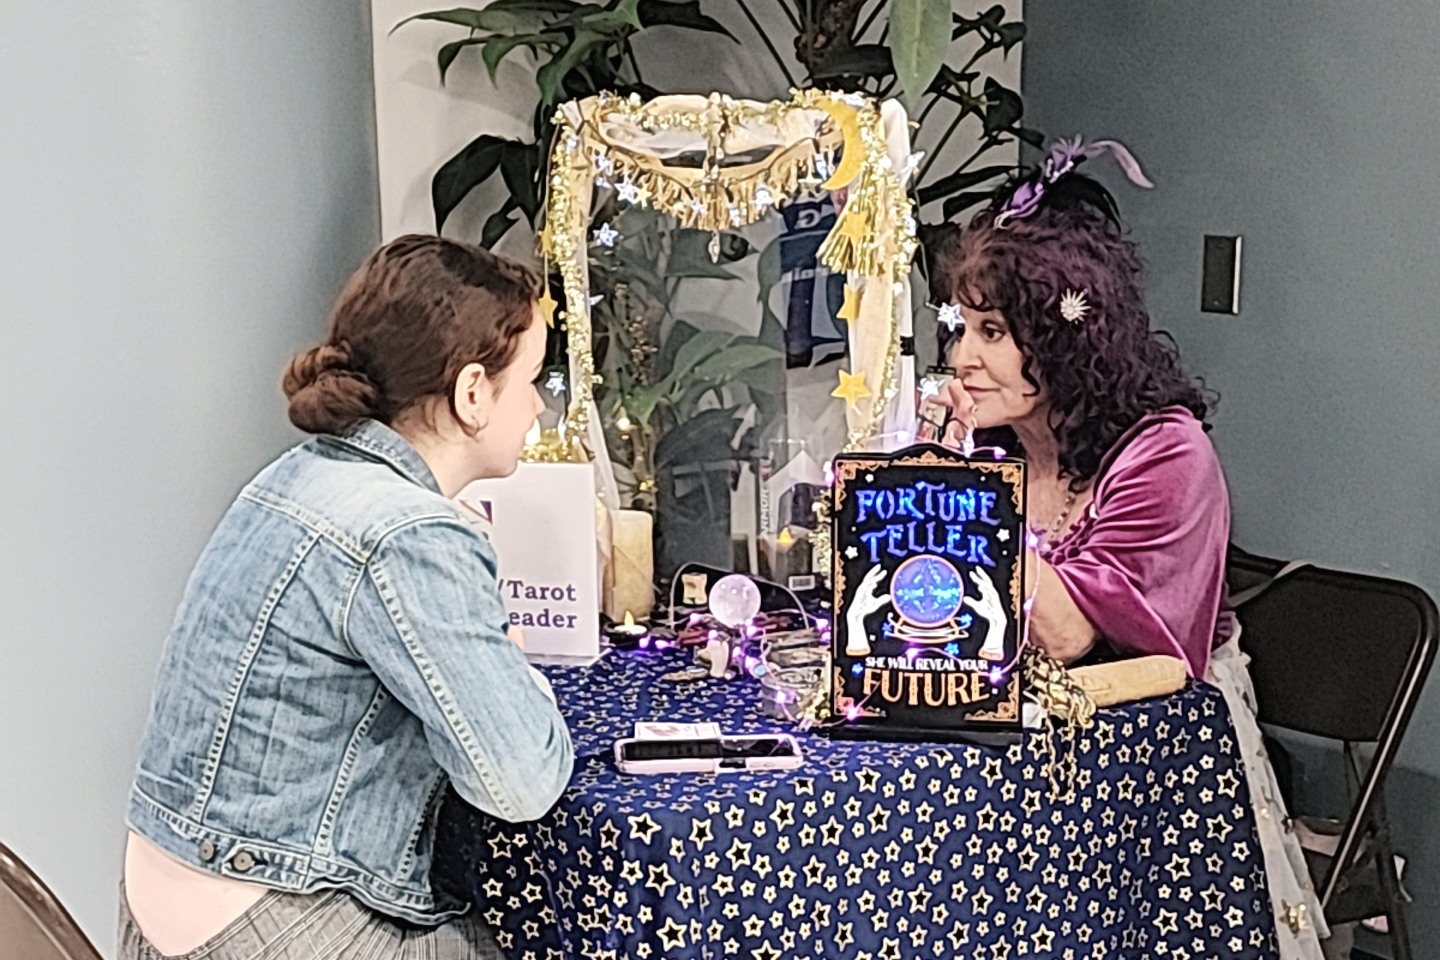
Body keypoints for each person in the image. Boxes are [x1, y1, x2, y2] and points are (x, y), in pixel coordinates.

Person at [120, 235, 574, 960]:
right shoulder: (410, 532)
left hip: (160, 911)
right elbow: (522, 783)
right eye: (531, 381)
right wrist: (516, 669)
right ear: (472, 394)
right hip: (268, 923)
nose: (541, 407)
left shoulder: (291, 477)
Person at [929, 138, 1326, 960]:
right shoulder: (999, 443)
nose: (962, 358)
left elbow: (1073, 636)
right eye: (960, 327)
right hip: (1019, 759)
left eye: (993, 331)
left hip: (1154, 785)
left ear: (1067, 339)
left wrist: (962, 492)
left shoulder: (1165, 458)